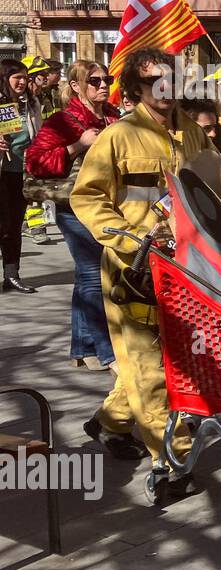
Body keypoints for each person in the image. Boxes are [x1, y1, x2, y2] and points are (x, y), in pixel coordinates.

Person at [71, 48, 213, 486]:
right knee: (152, 366)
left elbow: (212, 187)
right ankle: (172, 459)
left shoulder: (193, 133)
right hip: (132, 271)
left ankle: (110, 422)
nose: (166, 88)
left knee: (160, 360)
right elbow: (87, 196)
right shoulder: (118, 136)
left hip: (185, 265)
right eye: (155, 82)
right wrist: (127, 239)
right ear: (134, 89)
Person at [25, 60, 123, 373]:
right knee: (94, 275)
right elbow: (35, 163)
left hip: (107, 203)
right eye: (94, 81)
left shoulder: (114, 117)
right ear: (77, 86)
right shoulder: (62, 121)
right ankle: (108, 352)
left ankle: (83, 346)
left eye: (106, 79)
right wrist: (76, 146)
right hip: (72, 206)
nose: (103, 85)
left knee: (86, 277)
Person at [0, 58, 41, 292]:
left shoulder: (31, 103)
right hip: (2, 173)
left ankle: (12, 274)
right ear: (5, 79)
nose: (23, 82)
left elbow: (38, 134)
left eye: (25, 78)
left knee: (14, 226)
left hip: (21, 173)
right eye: (17, 78)